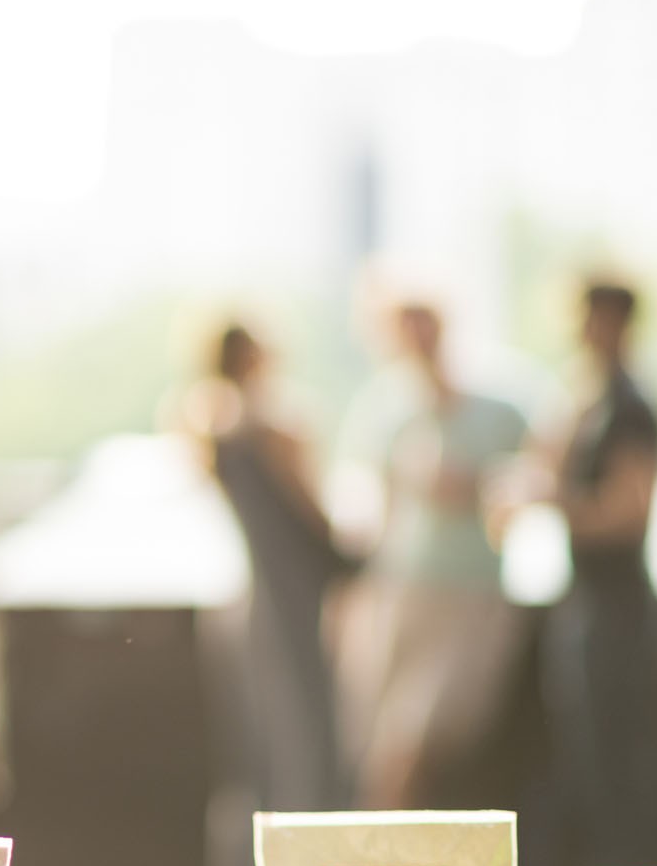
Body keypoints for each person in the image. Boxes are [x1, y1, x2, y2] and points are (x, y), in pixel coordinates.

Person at [339, 302, 530, 808]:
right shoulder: (383, 410)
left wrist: (479, 492)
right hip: (401, 592)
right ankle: (379, 837)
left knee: (432, 733)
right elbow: (372, 512)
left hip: (470, 594)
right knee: (387, 737)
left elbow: (529, 488)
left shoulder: (502, 408)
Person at [187, 323, 353, 811]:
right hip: (294, 589)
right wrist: (347, 558)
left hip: (259, 590)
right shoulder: (271, 430)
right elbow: (310, 511)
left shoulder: (212, 430)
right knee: (307, 715)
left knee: (269, 721)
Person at [540, 279, 657, 866]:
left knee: (619, 752)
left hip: (617, 603)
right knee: (589, 752)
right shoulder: (589, 401)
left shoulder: (631, 407)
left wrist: (553, 501)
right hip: (587, 596)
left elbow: (627, 512)